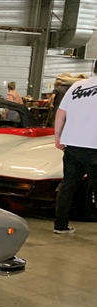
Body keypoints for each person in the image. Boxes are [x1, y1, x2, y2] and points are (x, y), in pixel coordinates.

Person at [52, 72, 97, 235]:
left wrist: (58, 136)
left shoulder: (77, 86)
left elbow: (60, 113)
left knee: (67, 186)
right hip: (94, 145)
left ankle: (60, 225)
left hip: (72, 144)